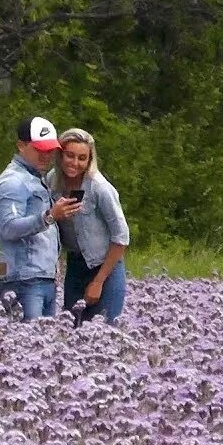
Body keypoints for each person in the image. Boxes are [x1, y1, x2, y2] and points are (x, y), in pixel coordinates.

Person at [0, 116, 81, 320]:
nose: (46, 155)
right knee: (29, 345)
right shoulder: (12, 182)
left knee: (44, 345)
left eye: (49, 150)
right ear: (21, 146)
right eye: (39, 149)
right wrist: (49, 216)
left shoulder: (35, 178)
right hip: (24, 279)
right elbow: (7, 227)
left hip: (42, 278)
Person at [48, 128, 130, 324]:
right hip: (75, 267)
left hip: (105, 269)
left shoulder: (99, 187)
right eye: (70, 155)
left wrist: (98, 282)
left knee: (104, 330)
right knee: (72, 328)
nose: (75, 163)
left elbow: (121, 237)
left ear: (89, 160)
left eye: (82, 158)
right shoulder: (51, 181)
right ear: (60, 155)